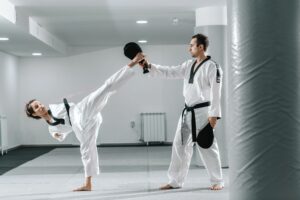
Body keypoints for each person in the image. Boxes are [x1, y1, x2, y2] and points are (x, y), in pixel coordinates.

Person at [24, 54, 143, 191]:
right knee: (86, 151)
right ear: (34, 114)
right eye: (36, 107)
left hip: (81, 111)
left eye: (39, 104)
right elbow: (60, 136)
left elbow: (70, 108)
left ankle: (134, 62)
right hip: (82, 127)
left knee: (106, 88)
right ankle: (88, 184)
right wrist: (58, 135)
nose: (41, 106)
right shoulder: (51, 128)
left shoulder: (54, 107)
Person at [139, 33, 224, 190]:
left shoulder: (212, 66)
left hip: (203, 111)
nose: (189, 48)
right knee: (179, 145)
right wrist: (149, 66)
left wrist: (214, 115)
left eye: (191, 45)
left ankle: (217, 181)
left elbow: (216, 93)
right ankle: (175, 181)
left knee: (207, 146)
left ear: (201, 47)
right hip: (187, 111)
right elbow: (170, 71)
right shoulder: (188, 65)